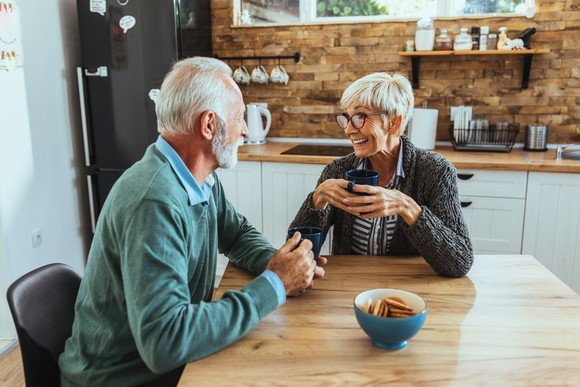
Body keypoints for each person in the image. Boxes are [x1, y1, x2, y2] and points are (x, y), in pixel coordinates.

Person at [59, 57, 326, 386]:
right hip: (121, 377)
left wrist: (281, 263)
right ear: (209, 125)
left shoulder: (197, 178)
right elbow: (166, 341)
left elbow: (237, 233)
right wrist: (274, 285)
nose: (244, 129)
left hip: (164, 364)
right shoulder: (154, 201)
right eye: (239, 117)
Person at [289, 72, 473, 278]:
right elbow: (294, 256)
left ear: (394, 122)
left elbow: (460, 261)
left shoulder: (436, 171)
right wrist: (317, 200)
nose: (349, 129)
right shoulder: (336, 171)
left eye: (360, 117)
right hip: (348, 289)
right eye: (347, 118)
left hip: (408, 291)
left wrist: (408, 208)